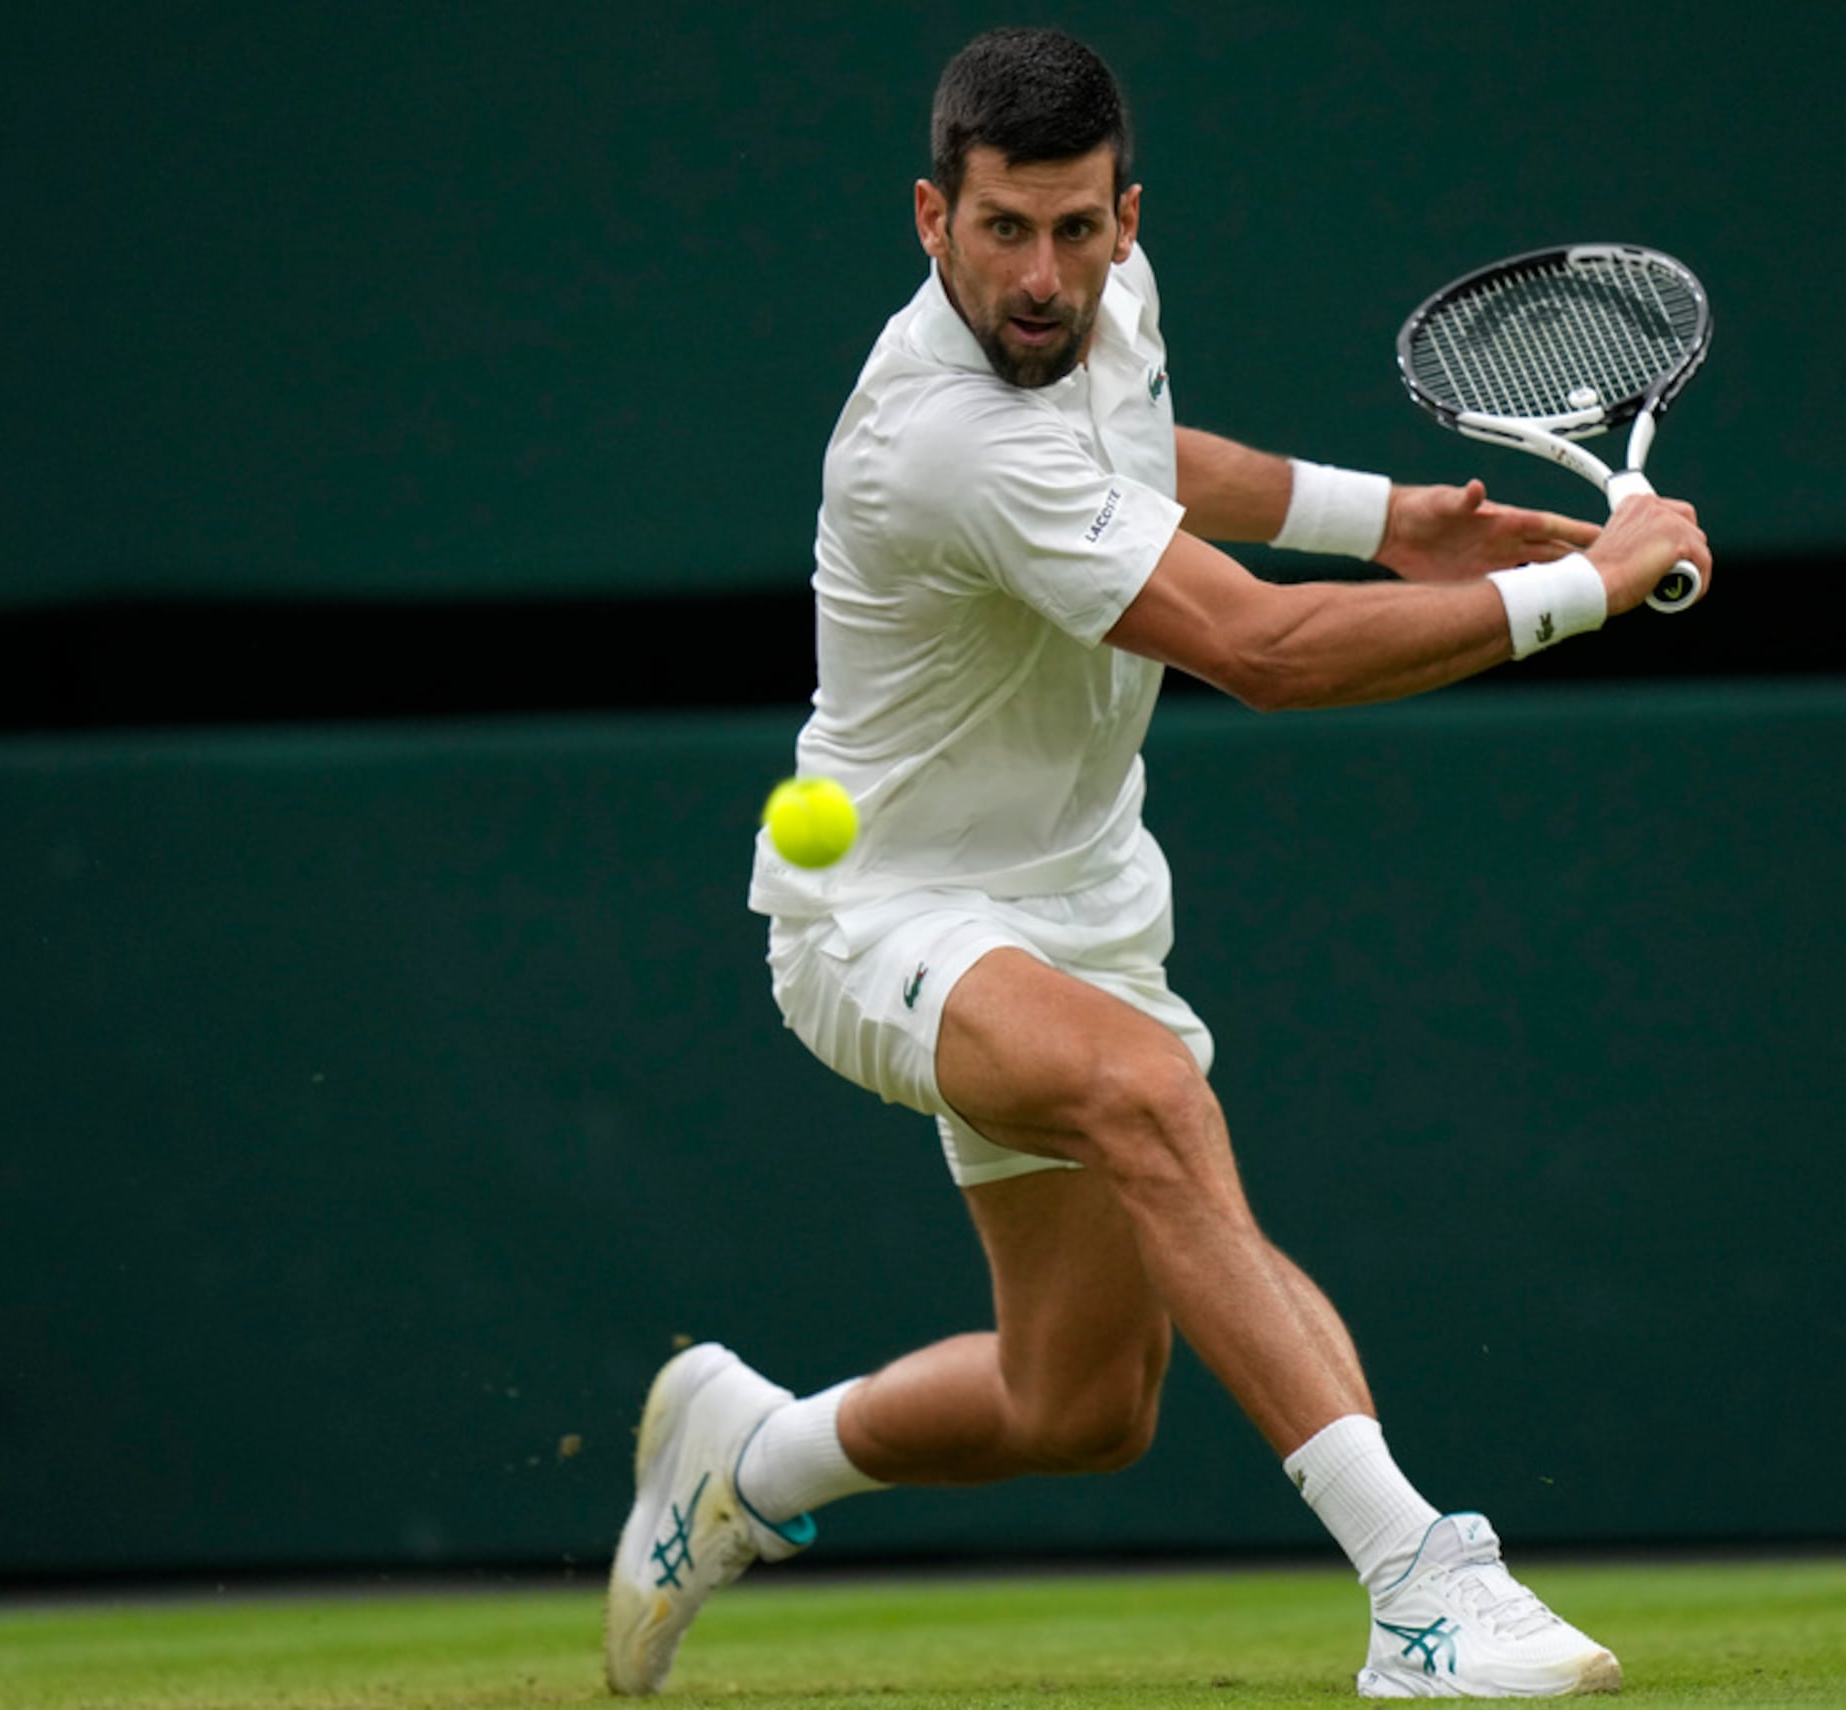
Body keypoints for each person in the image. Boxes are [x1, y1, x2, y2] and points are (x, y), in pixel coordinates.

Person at [605, 26, 1709, 1702]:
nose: (1041, 278)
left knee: (1077, 1405)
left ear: (1128, 215)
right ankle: (1425, 1585)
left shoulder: (1104, 308)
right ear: (931, 215)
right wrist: (1588, 589)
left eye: (1076, 229)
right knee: (1146, 1096)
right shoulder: (942, 435)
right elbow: (1264, 651)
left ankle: (748, 1458)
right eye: (1001, 231)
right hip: (882, 912)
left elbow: (1144, 452)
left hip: (1085, 896)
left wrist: (1386, 519)